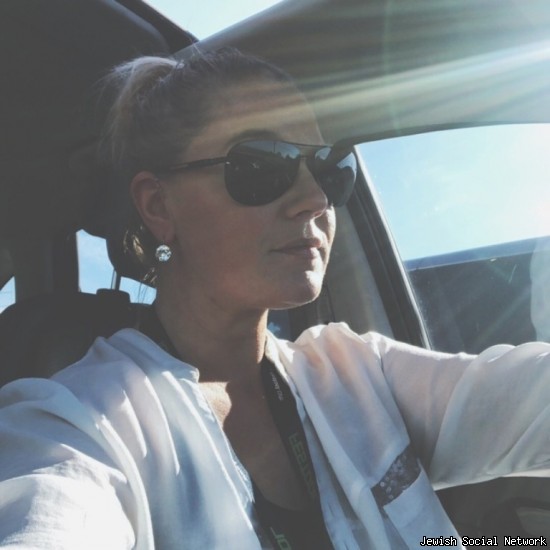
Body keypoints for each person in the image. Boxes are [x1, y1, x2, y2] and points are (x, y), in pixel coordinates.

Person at [0, 47, 549, 550]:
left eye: (329, 169)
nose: (315, 198)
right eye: (261, 164)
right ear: (159, 206)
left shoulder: (359, 373)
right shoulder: (81, 426)